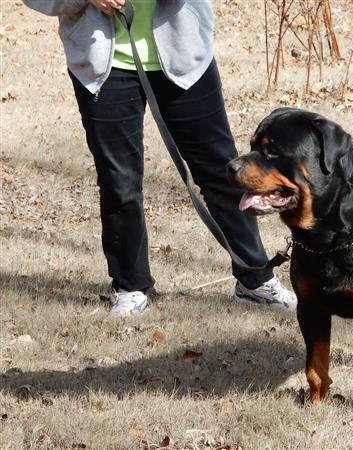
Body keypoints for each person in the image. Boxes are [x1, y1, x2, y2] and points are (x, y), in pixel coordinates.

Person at [23, 0, 297, 316]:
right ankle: (130, 286)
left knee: (224, 173)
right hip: (104, 66)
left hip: (185, 59)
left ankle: (255, 280)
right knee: (119, 181)